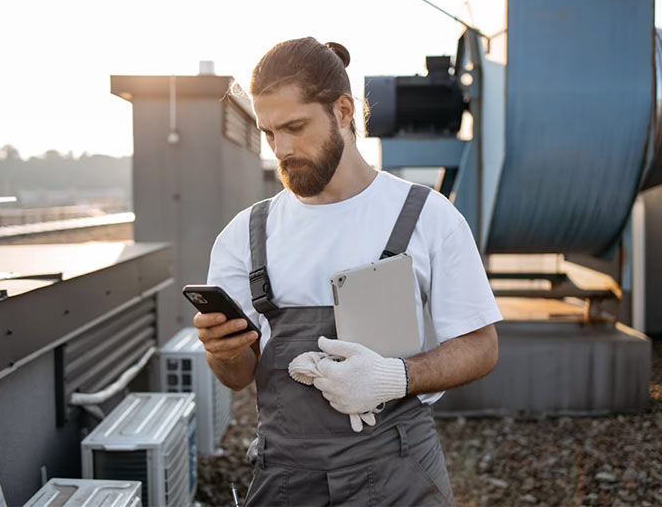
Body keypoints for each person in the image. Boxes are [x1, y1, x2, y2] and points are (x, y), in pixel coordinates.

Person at [195, 37, 502, 506]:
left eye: (295, 127)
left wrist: (394, 378)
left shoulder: (427, 216)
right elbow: (238, 376)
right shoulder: (246, 234)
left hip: (400, 473)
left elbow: (481, 348)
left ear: (343, 111)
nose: (281, 148)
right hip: (285, 479)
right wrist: (222, 350)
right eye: (270, 132)